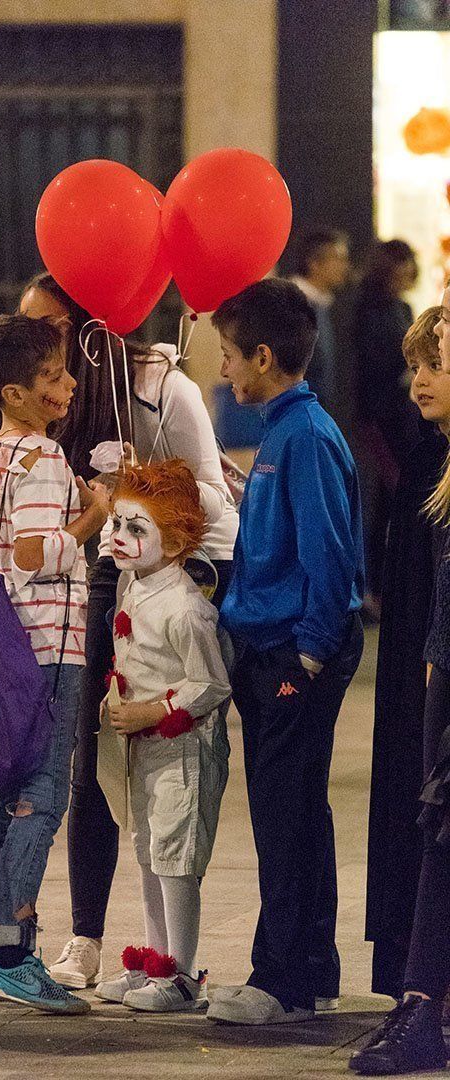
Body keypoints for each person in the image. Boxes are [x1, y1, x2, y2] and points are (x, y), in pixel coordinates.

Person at [19, 273, 239, 990]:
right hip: (94, 576)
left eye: (47, 327)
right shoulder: (50, 398)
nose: (35, 344)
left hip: (167, 583)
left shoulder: (159, 386)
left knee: (157, 778)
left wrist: (150, 483)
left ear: (88, 326)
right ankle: (87, 937)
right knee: (93, 758)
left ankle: (174, 961)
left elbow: (214, 490)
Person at [204, 278, 365, 1025]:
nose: (224, 372)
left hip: (292, 656)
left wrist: (305, 659)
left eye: (232, 357)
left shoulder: (303, 436)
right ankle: (310, 971)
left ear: (265, 357)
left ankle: (284, 983)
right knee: (298, 813)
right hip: (272, 649)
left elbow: (332, 558)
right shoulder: (284, 430)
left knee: (284, 817)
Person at [0, 313, 109, 1015]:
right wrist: (93, 516)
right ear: (14, 392)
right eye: (51, 378)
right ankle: (14, 954)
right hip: (45, 647)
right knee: (40, 799)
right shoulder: (42, 458)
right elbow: (36, 555)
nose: (68, 386)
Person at [348, 285, 450, 1076]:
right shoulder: (428, 459)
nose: (418, 381)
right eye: (414, 365)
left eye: (435, 366)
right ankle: (421, 997)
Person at [93, 459, 231, 1013]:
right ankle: (156, 957)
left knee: (175, 856)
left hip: (181, 753)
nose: (121, 539)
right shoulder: (136, 586)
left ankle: (184, 973)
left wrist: (155, 710)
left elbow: (211, 682)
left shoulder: (185, 608)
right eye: (118, 524)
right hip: (142, 752)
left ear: (172, 542)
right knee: (148, 851)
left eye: (136, 529)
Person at [353, 239, 419, 617]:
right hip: (379, 421)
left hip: (406, 420)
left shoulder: (403, 307)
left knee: (397, 504)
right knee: (385, 504)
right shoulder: (369, 310)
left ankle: (392, 588)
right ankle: (375, 590)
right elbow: (374, 367)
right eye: (402, 264)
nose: (408, 271)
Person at [289, 226, 350, 408]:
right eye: (338, 258)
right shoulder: (293, 307)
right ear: (314, 263)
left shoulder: (321, 305)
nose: (345, 266)